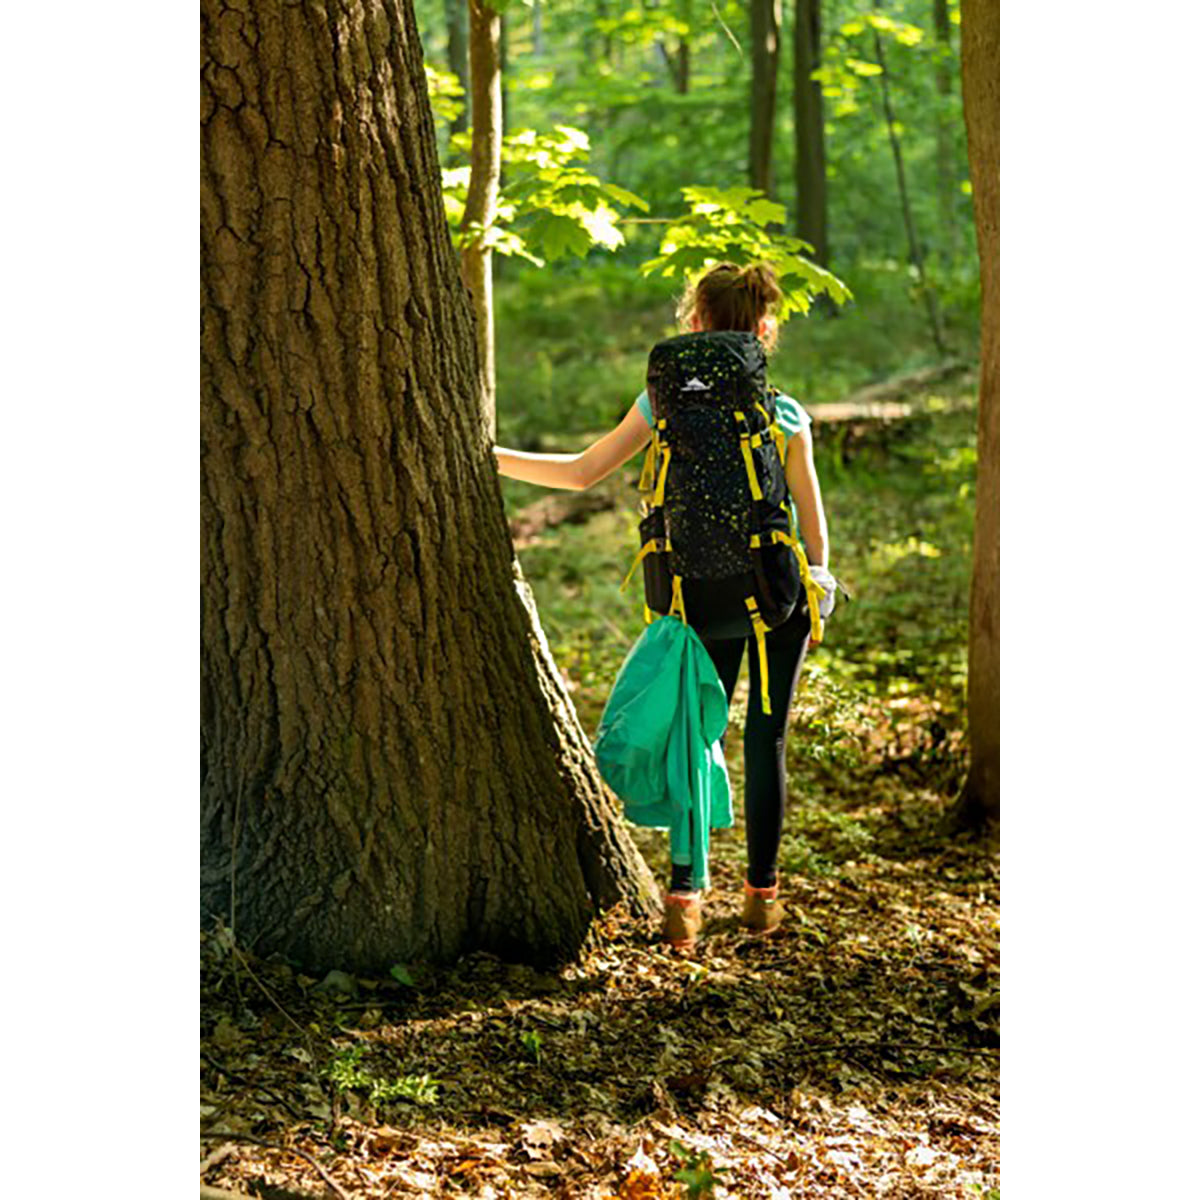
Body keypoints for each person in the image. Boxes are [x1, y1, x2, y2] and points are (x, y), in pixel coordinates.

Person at [494, 261, 834, 949]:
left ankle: (684, 898)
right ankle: (762, 898)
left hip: (697, 593)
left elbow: (583, 472)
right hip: (776, 596)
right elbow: (812, 523)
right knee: (766, 736)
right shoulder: (785, 413)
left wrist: (488, 453)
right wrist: (820, 579)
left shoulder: (663, 407)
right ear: (763, 330)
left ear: (695, 321)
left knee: (695, 733)